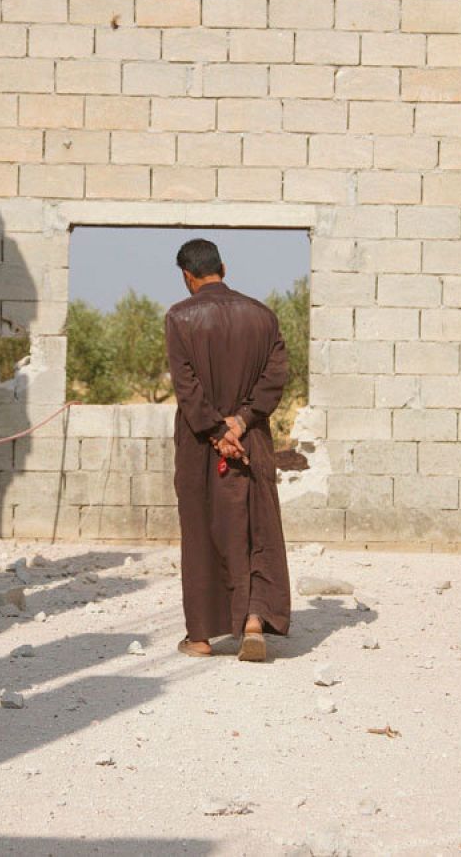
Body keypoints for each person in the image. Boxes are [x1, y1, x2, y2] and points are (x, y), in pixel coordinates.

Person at [164, 238, 292, 661]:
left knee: (202, 528)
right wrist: (242, 420)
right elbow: (276, 376)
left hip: (202, 444)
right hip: (251, 438)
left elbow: (186, 386)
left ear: (187, 276)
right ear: (223, 266)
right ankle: (253, 621)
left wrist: (217, 430)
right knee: (255, 525)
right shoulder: (263, 316)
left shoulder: (180, 317)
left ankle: (200, 637)